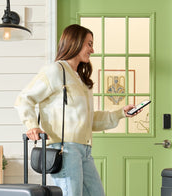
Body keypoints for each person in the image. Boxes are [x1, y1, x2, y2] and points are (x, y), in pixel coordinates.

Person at [14, 24, 142, 196]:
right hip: (65, 149)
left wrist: (120, 113)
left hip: (85, 150)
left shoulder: (80, 79)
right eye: (89, 44)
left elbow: (88, 119)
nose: (93, 49)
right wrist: (32, 125)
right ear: (75, 42)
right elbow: (24, 98)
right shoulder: (55, 71)